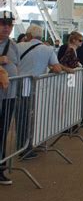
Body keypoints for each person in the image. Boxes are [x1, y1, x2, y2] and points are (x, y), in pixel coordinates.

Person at [15, 24, 62, 158]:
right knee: (36, 116)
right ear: (41, 36)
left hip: (19, 85)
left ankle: (22, 146)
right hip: (39, 88)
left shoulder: (18, 46)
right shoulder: (48, 49)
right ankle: (32, 144)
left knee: (21, 118)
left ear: (28, 35)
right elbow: (57, 69)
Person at [0, 10, 19, 185]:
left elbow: (17, 66)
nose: (7, 27)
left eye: (10, 24)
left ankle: (1, 167)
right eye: (3, 24)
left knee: (3, 132)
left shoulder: (13, 45)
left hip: (9, 96)